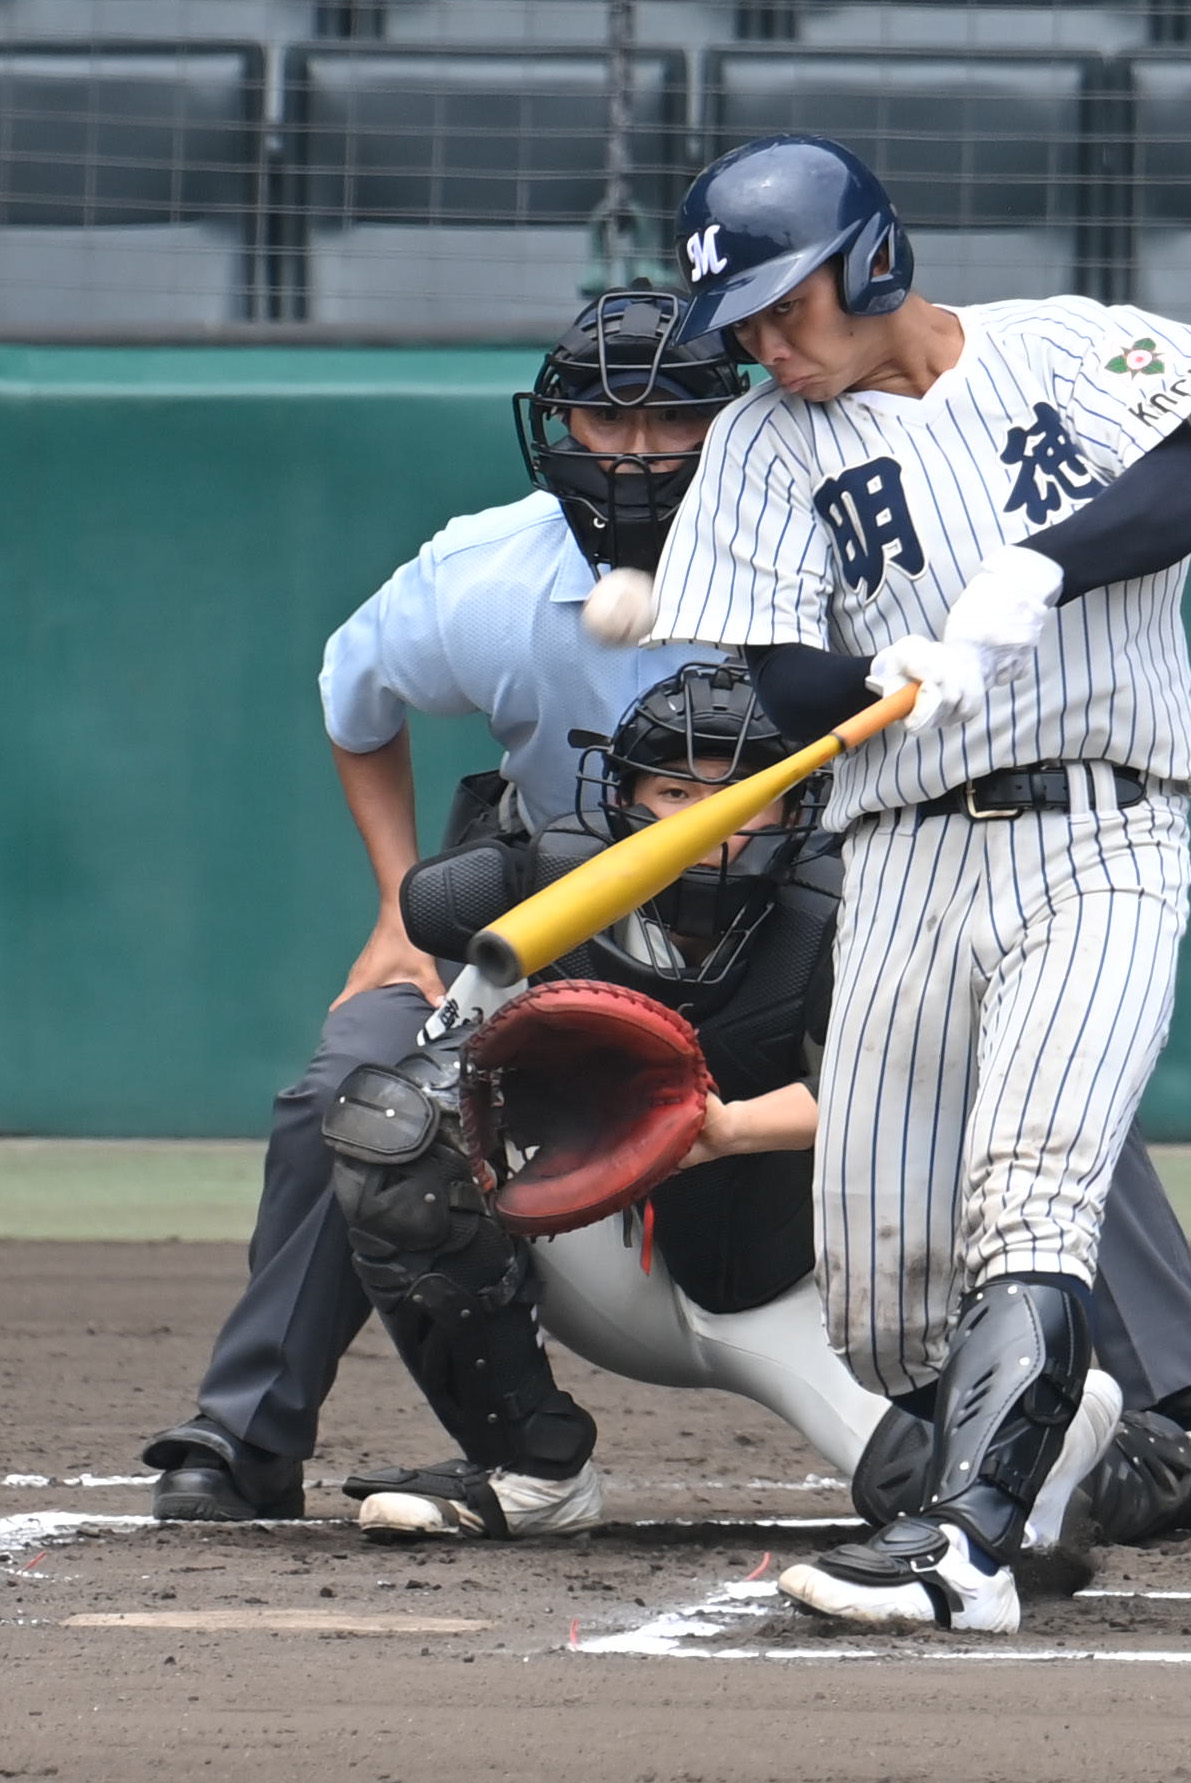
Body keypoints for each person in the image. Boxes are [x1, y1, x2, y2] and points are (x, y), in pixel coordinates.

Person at [646, 133, 1191, 1632]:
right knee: (881, 1299)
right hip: (901, 855)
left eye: (779, 303)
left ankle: (965, 1548)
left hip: (1103, 825)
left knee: (1038, 1184)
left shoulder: (1061, 346)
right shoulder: (760, 444)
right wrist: (860, 672)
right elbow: (770, 659)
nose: (763, 341)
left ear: (870, 258)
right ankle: (1086, 1457)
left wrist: (1038, 569)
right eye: (737, 320)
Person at [141, 287, 746, 1520]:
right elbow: (354, 704)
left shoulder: (814, 556)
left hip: (782, 924)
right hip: (553, 930)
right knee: (351, 1080)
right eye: (598, 416)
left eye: (670, 417)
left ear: (731, 418)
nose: (630, 451)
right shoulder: (487, 572)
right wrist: (387, 904)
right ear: (553, 423)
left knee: (1022, 1048)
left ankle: (1185, 1407)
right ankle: (249, 1433)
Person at [328, 662, 1124, 1542]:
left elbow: (910, 1101)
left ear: (794, 808)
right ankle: (532, 1470)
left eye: (746, 794)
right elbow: (441, 1073)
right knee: (393, 1125)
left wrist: (726, 1127)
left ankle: (1164, 1460)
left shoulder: (849, 909)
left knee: (959, 1498)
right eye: (675, 790)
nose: (709, 824)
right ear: (622, 794)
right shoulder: (547, 882)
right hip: (600, 1250)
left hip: (796, 1290)